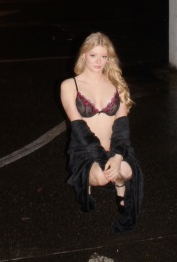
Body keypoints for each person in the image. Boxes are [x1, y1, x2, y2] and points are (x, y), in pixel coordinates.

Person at [60, 31, 143, 233]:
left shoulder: (117, 84)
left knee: (127, 171)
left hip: (114, 148)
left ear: (109, 58)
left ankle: (120, 185)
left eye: (104, 56)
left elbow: (122, 128)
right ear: (83, 56)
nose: (98, 61)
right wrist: (104, 160)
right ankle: (88, 182)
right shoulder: (70, 85)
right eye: (93, 55)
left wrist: (117, 156)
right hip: (84, 151)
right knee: (103, 176)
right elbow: (79, 128)